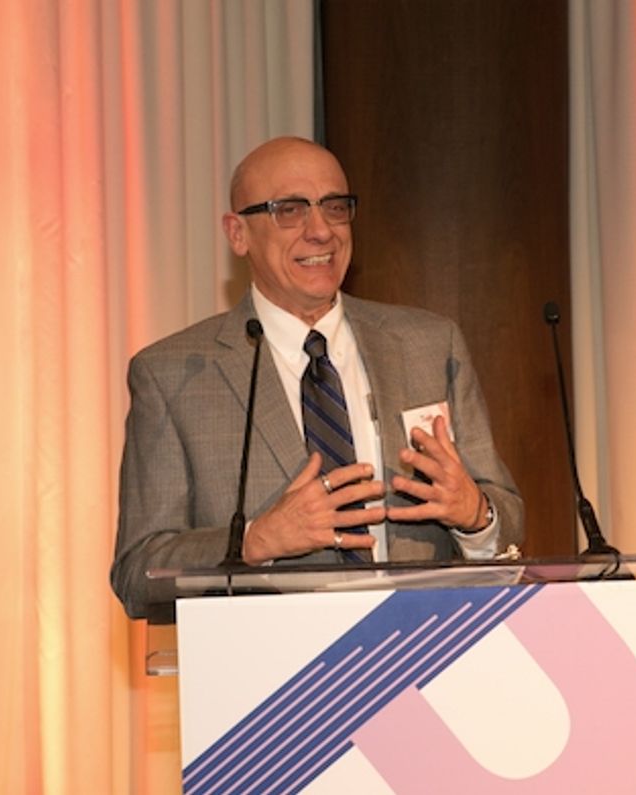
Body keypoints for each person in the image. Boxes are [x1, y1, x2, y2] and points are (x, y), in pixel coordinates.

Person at [110, 137, 523, 619]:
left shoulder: (430, 346)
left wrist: (478, 517)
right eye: (290, 210)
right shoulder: (173, 374)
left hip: (425, 659)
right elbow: (138, 574)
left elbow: (508, 522)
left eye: (335, 207)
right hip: (270, 680)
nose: (321, 230)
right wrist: (253, 541)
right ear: (238, 233)